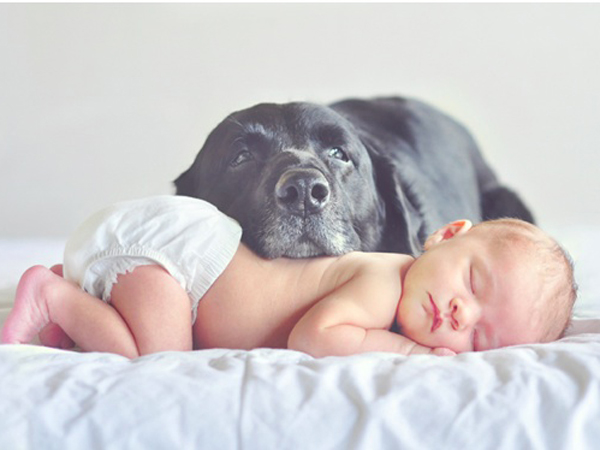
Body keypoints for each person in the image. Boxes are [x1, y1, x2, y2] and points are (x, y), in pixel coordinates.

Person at [1, 196, 577, 359]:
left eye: (479, 337)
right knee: (156, 360)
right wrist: (406, 355)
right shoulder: (385, 283)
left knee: (155, 339)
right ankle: (52, 295)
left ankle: (82, 290)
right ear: (446, 235)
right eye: (473, 286)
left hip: (181, 269)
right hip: (179, 263)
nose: (460, 315)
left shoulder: (399, 292)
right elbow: (316, 336)